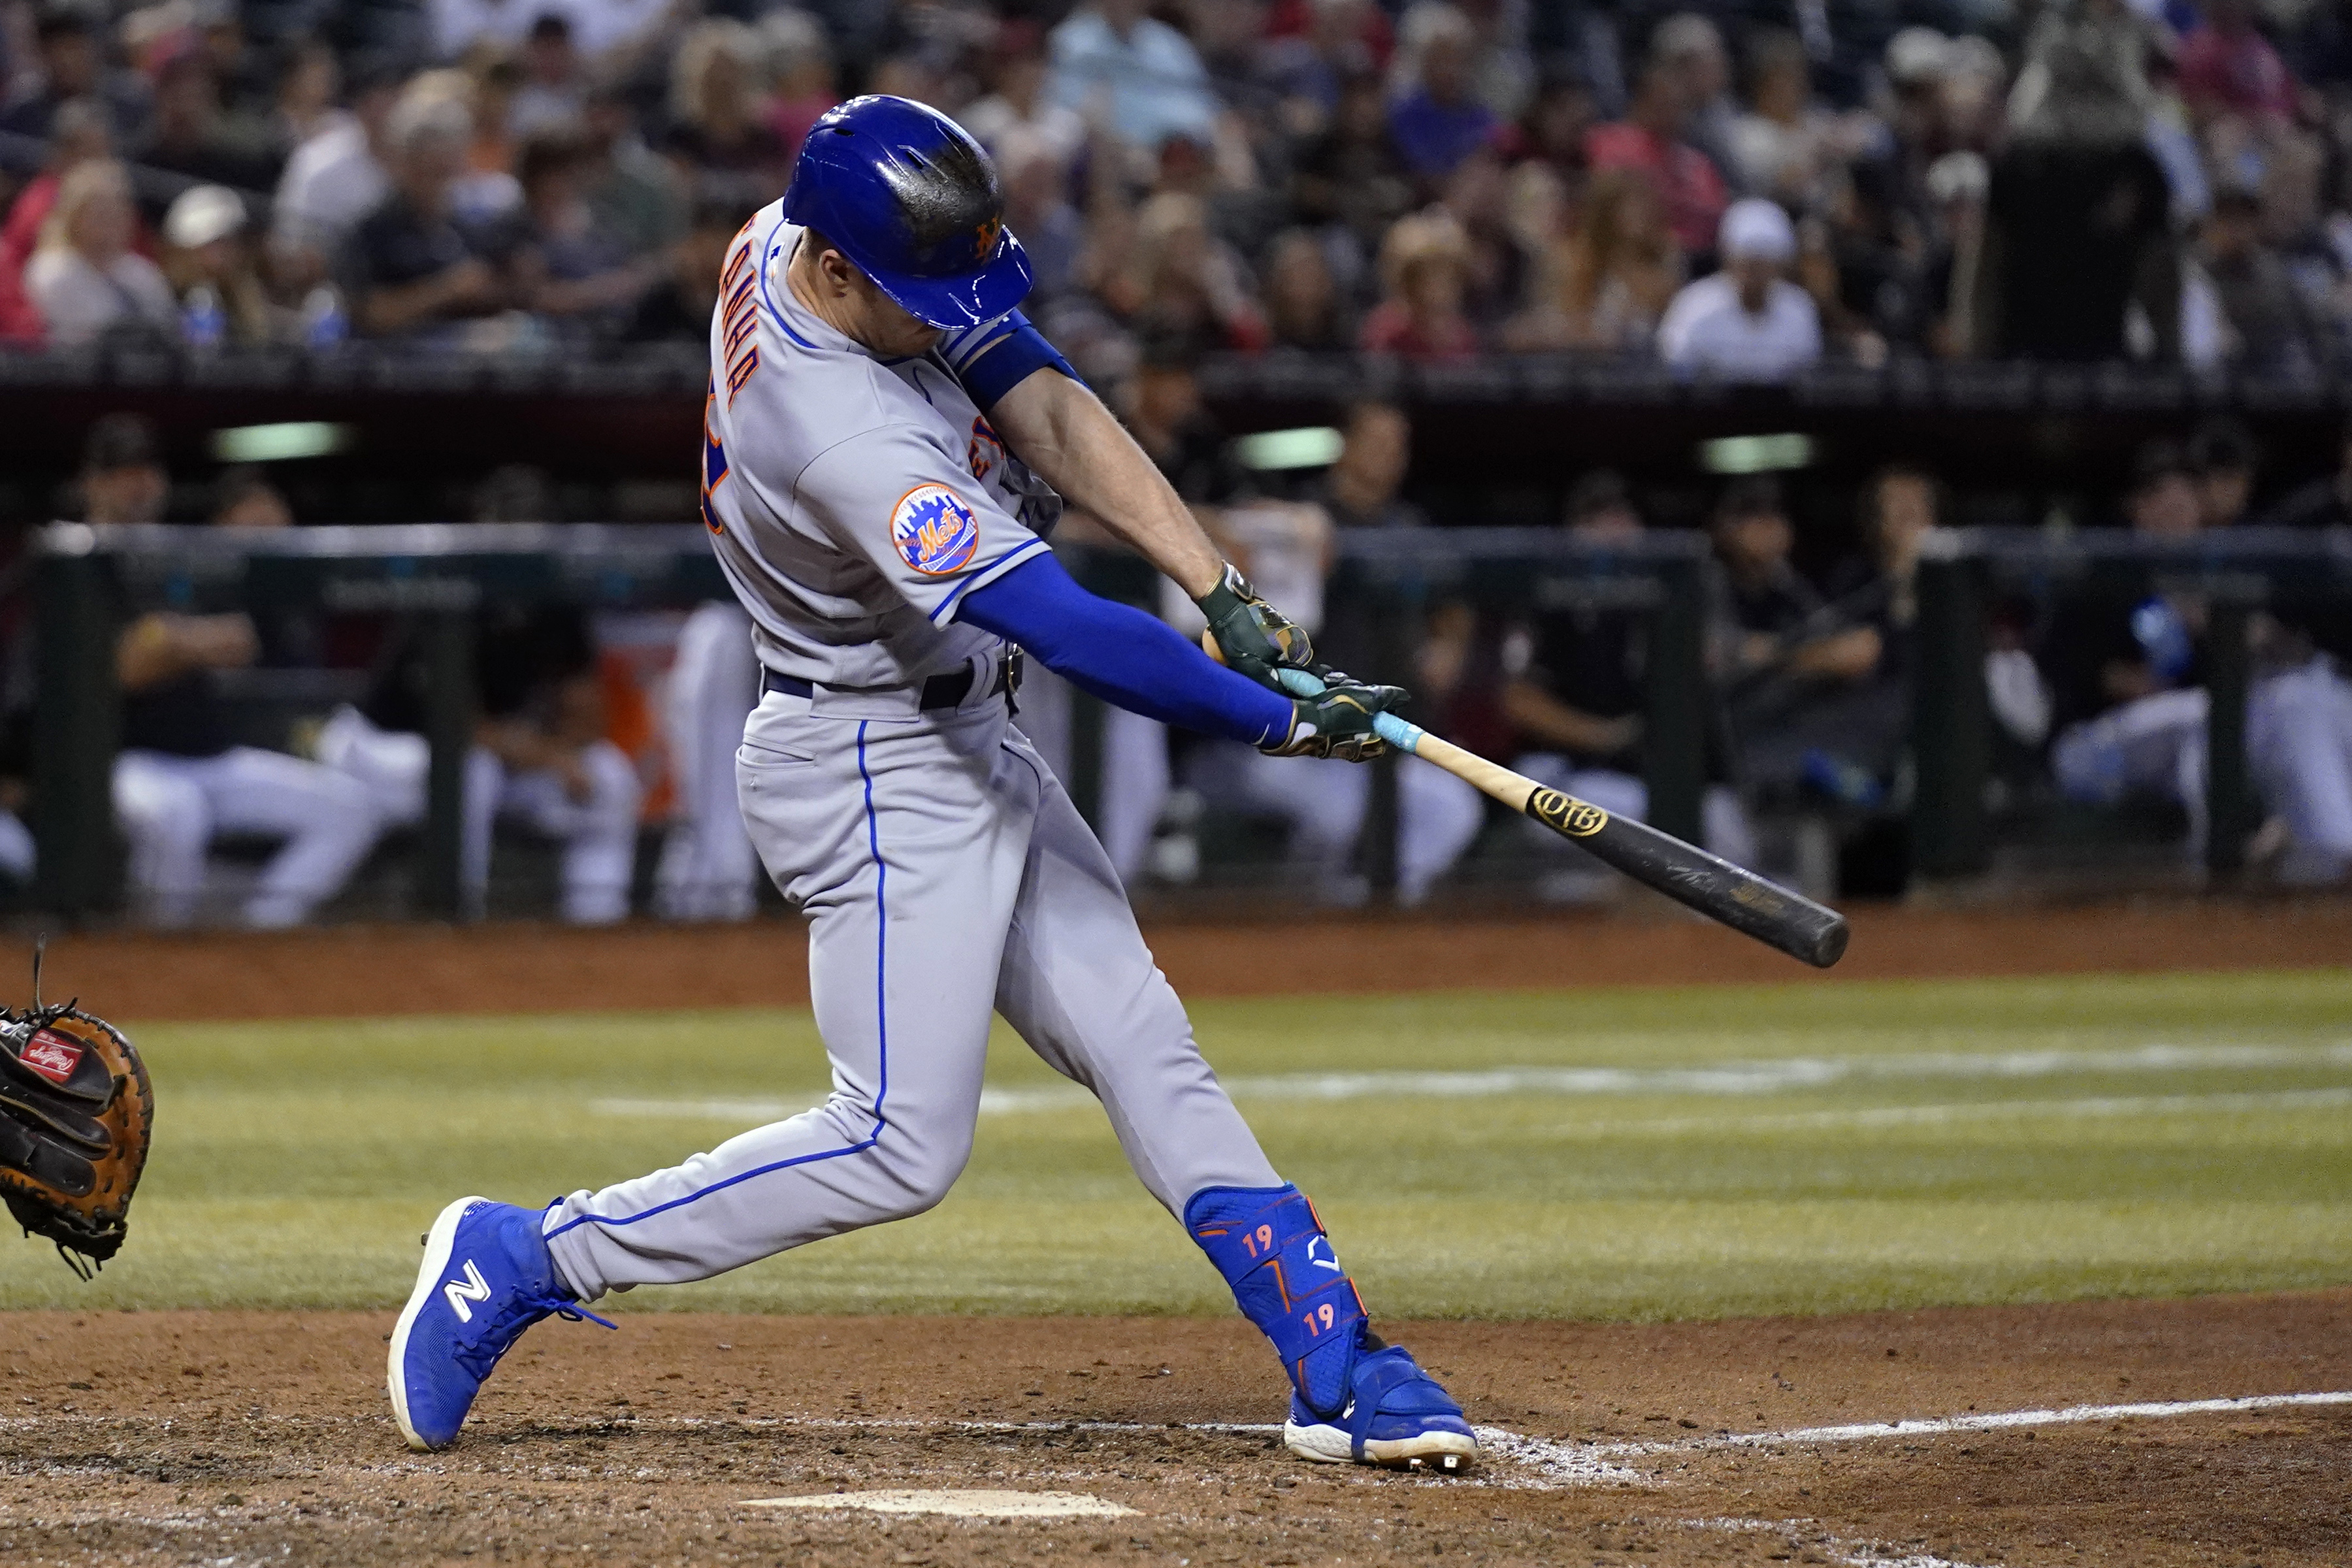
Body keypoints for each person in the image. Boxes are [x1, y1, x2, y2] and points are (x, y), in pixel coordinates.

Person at [387, 95, 1475, 1477]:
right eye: (919, 294)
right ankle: (530, 1253)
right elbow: (1067, 625)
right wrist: (1273, 718)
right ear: (835, 276)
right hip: (872, 759)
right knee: (900, 1143)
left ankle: (1338, 1362)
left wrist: (1224, 591)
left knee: (1145, 1044)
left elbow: (1046, 400)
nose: (949, 314)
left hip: (958, 730)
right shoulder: (833, 424)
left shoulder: (801, 234)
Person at [93, 417, 384, 928]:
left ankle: (257, 935)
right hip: (128, 760)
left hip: (211, 758)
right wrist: (179, 642)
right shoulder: (80, 558)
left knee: (351, 810)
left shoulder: (177, 555)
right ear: (93, 482)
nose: (138, 484)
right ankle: (154, 962)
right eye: (122, 472)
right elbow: (122, 669)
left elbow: (239, 640)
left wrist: (165, 637)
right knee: (174, 818)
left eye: (147, 471)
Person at [1503, 471, 1754, 890]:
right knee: (1566, 811)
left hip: (1652, 775)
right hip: (1580, 770)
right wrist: (1604, 736)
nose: (1612, 531)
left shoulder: (1671, 598)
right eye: (1596, 519)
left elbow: (1726, 657)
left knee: (1724, 825)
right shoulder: (1548, 602)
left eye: (1621, 517)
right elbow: (1517, 699)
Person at [1656, 197, 1821, 380]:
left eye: (1762, 265)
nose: (1753, 275)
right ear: (1728, 261)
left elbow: (1806, 374)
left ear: (1780, 267)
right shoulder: (1695, 306)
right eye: (1746, 263)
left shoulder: (1799, 310)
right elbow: (1675, 368)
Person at [24, 159, 178, 345]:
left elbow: (168, 329)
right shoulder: (52, 274)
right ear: (75, 218)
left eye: (119, 213)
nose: (112, 224)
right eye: (101, 215)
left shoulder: (143, 272)